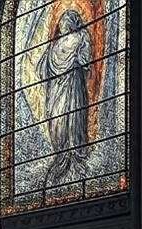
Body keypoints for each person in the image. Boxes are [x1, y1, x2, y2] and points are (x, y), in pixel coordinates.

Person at [37, 9, 92, 188]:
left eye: (65, 20)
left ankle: (75, 153)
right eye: (61, 20)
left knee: (73, 117)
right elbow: (42, 69)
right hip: (56, 92)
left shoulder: (82, 36)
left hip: (72, 87)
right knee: (58, 120)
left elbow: (85, 61)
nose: (62, 23)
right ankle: (61, 154)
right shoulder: (54, 45)